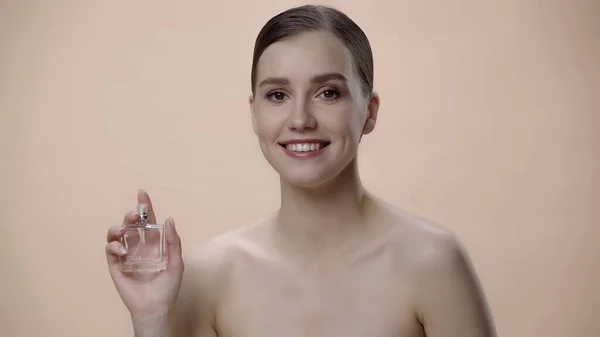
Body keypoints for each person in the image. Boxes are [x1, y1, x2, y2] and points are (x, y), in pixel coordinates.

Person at [105, 4, 497, 337]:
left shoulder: (431, 261)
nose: (300, 119)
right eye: (277, 95)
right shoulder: (210, 275)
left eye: (328, 93)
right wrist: (152, 317)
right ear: (254, 113)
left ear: (370, 112)